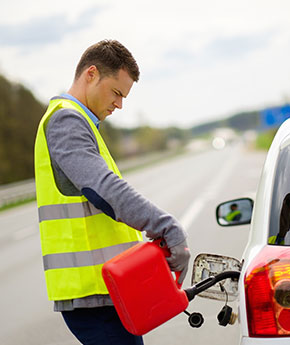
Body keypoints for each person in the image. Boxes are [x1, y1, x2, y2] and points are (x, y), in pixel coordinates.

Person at [34, 40, 190, 345]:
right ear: (91, 74)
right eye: (117, 93)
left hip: (107, 290)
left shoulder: (81, 122)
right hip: (92, 294)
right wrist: (165, 225)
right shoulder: (66, 120)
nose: (120, 105)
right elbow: (103, 188)